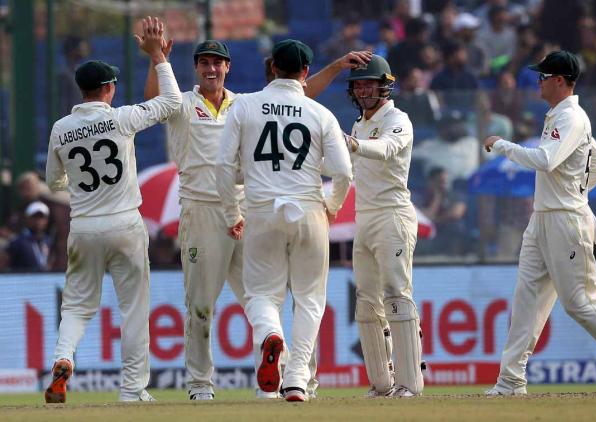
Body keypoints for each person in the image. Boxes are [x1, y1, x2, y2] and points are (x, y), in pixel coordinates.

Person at [144, 39, 369, 401]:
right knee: (201, 306)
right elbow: (157, 102)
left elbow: (295, 94)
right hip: (203, 211)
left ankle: (277, 384)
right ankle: (202, 385)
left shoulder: (244, 103)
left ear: (228, 67)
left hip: (251, 210)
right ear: (196, 68)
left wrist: (338, 65)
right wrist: (158, 60)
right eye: (204, 63)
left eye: (218, 62)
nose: (211, 69)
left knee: (264, 300)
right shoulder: (183, 102)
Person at [483, 50, 596, 395]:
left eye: (542, 77)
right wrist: (576, 190)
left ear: (558, 80)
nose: (537, 82)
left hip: (565, 221)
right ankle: (510, 380)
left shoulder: (572, 117)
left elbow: (547, 160)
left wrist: (504, 146)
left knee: (581, 301)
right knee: (527, 300)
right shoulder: (558, 116)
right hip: (543, 218)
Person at [44, 17, 181, 403]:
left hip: (84, 225)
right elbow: (171, 103)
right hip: (124, 223)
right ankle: (132, 390)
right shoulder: (121, 119)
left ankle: (63, 358)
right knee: (134, 308)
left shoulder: (60, 128)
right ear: (107, 89)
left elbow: (55, 182)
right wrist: (158, 58)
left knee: (76, 305)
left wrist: (78, 185)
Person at [216, 39, 352, 402]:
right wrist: (331, 206)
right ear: (306, 73)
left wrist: (232, 212)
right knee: (309, 299)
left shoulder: (243, 106)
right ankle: (296, 381)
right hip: (309, 209)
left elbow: (223, 167)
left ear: (272, 67)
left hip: (261, 211)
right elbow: (343, 172)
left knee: (261, 294)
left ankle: (270, 336)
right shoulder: (320, 113)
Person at [343, 54, 424, 397]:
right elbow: (347, 170)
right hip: (365, 218)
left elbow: (388, 149)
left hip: (393, 215)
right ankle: (381, 383)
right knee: (365, 301)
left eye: (369, 83)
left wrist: (355, 144)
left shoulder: (398, 119)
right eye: (358, 84)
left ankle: (410, 383)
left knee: (397, 294)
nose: (363, 89)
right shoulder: (358, 125)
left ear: (384, 86)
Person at [6, 201, 51, 271]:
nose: (38, 221)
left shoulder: (48, 241)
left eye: (41, 217)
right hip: (23, 281)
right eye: (34, 217)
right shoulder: (18, 242)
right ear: (27, 219)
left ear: (46, 220)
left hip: (44, 280)